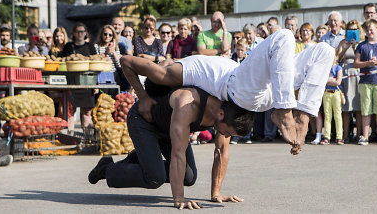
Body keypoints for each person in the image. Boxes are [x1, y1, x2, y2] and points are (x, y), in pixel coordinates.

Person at [120, 29, 335, 154]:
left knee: (325, 51)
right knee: (284, 36)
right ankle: (286, 114)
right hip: (242, 89)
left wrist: (217, 193)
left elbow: (221, 152)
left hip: (270, 88)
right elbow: (127, 61)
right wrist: (144, 96)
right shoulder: (175, 74)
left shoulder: (188, 77)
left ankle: (304, 115)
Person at [88, 86, 254, 210]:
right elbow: (178, 153)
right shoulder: (191, 104)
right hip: (144, 121)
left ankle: (139, 158)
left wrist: (216, 193)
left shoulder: (228, 117)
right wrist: (179, 198)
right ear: (221, 115)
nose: (225, 134)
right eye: (226, 130)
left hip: (169, 128)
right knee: (155, 177)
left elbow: (221, 152)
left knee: (188, 177)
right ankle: (107, 169)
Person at [59, 23, 97, 130]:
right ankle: (71, 141)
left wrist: (96, 84)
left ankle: (87, 141)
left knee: (87, 113)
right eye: (78, 31)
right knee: (70, 113)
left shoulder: (90, 46)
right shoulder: (68, 46)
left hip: (87, 83)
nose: (80, 34)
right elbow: (62, 62)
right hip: (72, 83)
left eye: (82, 31)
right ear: (74, 33)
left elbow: (95, 66)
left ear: (85, 33)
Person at [337, 20, 365, 142]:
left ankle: (359, 134)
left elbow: (362, 58)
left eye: (355, 29)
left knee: (358, 107)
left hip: (358, 73)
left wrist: (355, 47)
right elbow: (338, 58)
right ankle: (346, 134)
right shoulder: (342, 42)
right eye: (350, 29)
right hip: (345, 73)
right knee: (346, 107)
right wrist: (347, 46)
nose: (353, 32)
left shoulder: (362, 43)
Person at [320, 54, 344, 145]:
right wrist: (331, 80)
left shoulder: (338, 68)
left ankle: (339, 136)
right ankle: (326, 136)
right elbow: (322, 79)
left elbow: (338, 81)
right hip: (326, 93)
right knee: (327, 115)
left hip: (336, 93)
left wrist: (328, 80)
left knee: (337, 115)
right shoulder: (325, 67)